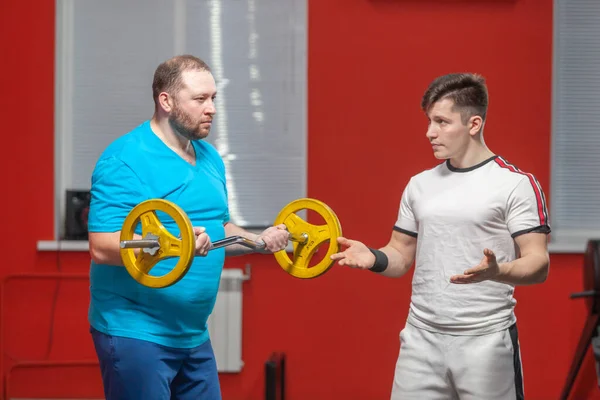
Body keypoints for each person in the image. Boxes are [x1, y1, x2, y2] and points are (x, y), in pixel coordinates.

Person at [331, 73, 550, 400]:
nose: (429, 132)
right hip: (421, 340)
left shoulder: (515, 185)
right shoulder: (420, 185)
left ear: (474, 124)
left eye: (442, 122)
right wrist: (373, 257)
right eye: (429, 121)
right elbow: (400, 256)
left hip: (485, 341)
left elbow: (538, 263)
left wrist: (497, 271)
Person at [87, 54, 290, 400]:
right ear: (166, 101)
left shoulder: (209, 157)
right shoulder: (124, 159)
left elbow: (218, 225)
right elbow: (102, 246)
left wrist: (257, 240)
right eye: (200, 99)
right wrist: (174, 244)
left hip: (192, 333)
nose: (211, 108)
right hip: (136, 331)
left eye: (213, 98)